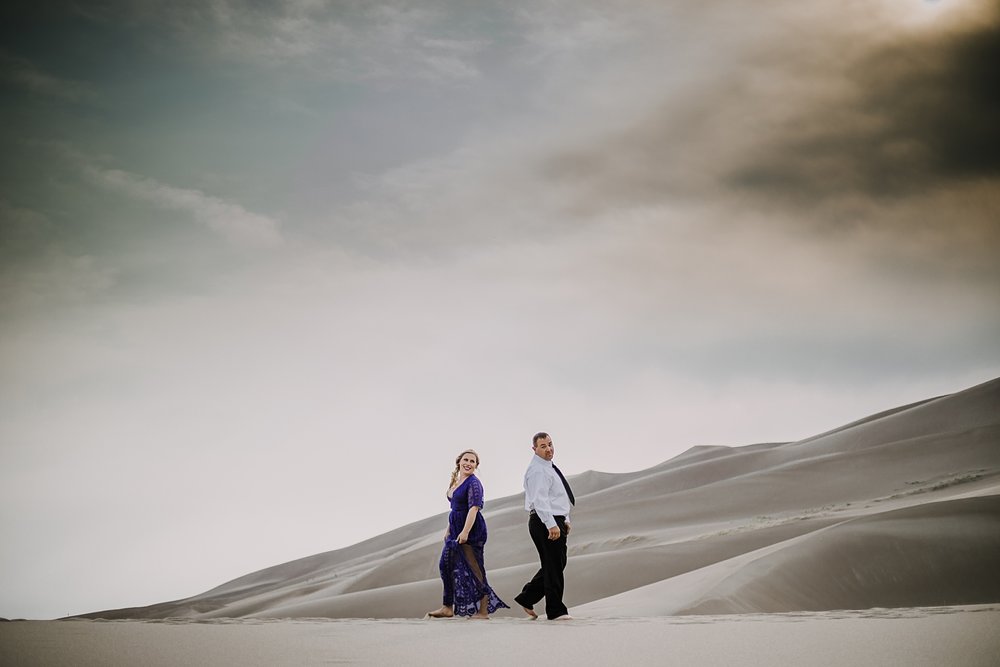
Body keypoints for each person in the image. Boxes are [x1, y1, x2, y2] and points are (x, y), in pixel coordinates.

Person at [427, 449, 509, 619]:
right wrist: (448, 530)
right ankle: (447, 607)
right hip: (455, 530)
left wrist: (465, 532)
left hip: (471, 531)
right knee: (445, 565)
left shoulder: (474, 483)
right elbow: (454, 509)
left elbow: (474, 508)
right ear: (459, 462)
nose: (468, 463)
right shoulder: (456, 481)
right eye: (466, 460)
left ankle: (483, 611)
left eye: (473, 462)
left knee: (475, 569)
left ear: (476, 466)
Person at [514, 432, 576, 621]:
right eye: (543, 446)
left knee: (556, 563)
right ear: (534, 449)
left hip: (554, 520)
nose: (549, 449)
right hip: (544, 521)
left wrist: (565, 520)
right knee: (554, 565)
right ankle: (556, 611)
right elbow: (539, 500)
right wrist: (551, 524)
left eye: (550, 444)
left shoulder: (548, 467)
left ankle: (528, 596)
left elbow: (556, 497)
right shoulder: (537, 470)